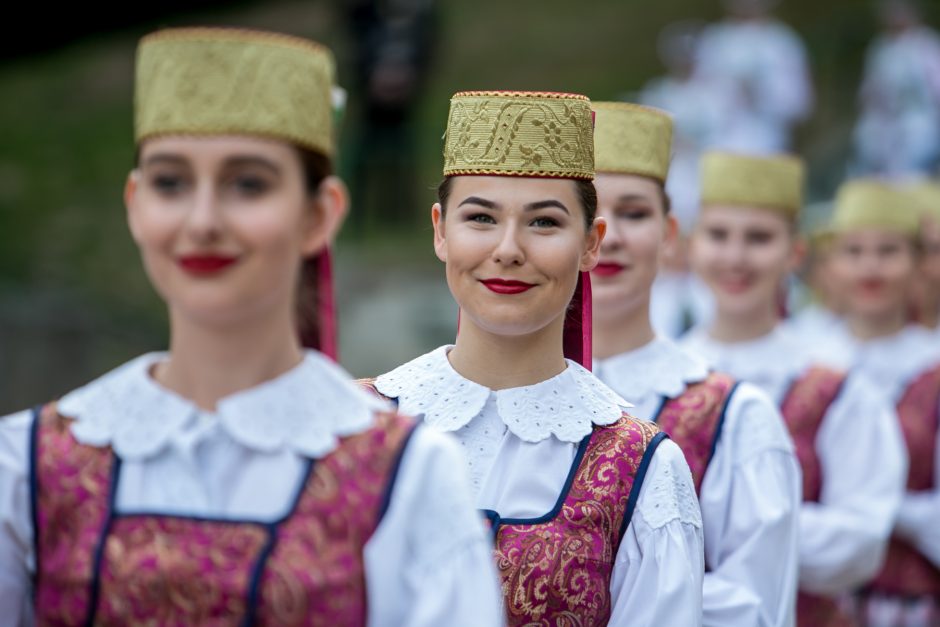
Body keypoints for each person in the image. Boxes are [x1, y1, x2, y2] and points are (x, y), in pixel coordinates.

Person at [0, 27, 502, 626]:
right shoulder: (28, 466)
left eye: (248, 184)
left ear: (320, 215)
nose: (203, 219)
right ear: (135, 204)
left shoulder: (408, 477)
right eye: (170, 182)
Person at [366, 90, 705, 625]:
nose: (508, 249)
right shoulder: (356, 425)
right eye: (479, 217)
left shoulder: (640, 465)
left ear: (591, 244)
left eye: (544, 223)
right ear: (439, 230)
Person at [589, 102, 801, 627]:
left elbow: (758, 605)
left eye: (634, 213)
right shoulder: (486, 400)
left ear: (669, 234)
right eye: (588, 212)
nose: (608, 235)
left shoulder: (734, 415)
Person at [816, 178, 940, 626]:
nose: (871, 267)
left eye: (888, 251)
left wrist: (874, 512)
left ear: (918, 263)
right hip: (813, 597)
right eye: (854, 251)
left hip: (910, 603)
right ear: (831, 264)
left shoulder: (933, 365)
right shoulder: (806, 361)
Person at [695, 0, 813, 155]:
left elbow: (800, 104)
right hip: (715, 150)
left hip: (768, 147)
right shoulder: (713, 41)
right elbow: (695, 97)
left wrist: (760, 93)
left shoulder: (783, 43)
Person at [852, 0, 940, 177]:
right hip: (884, 125)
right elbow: (869, 91)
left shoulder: (926, 44)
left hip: (918, 120)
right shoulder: (880, 48)